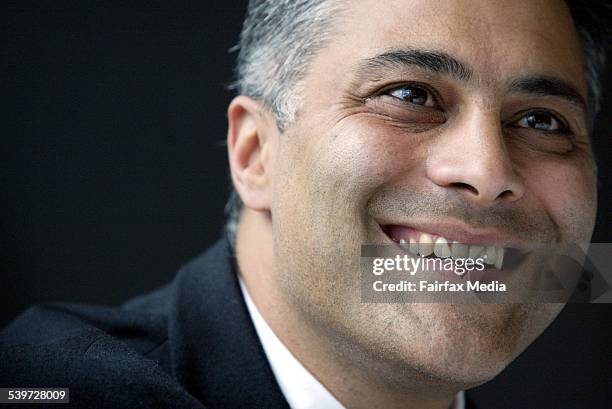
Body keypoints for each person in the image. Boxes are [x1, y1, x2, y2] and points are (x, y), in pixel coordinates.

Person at [1, 0, 610, 408]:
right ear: (255, 154)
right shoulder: (50, 385)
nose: (487, 172)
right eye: (409, 94)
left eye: (542, 120)